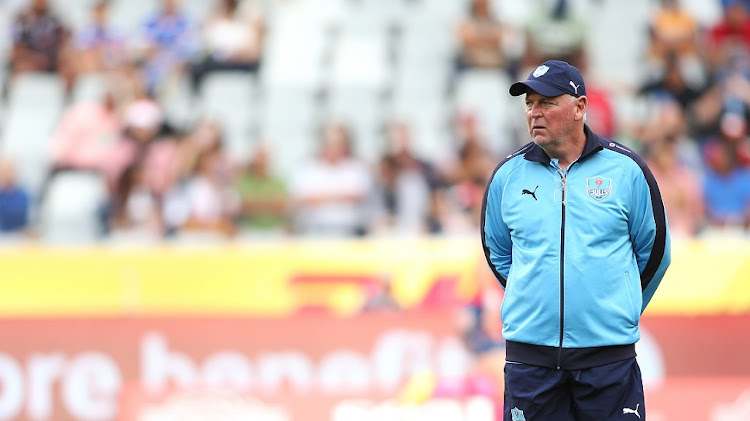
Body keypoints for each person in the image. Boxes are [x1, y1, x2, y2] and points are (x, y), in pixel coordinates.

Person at [480, 60, 671, 420]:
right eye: (529, 104)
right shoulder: (507, 175)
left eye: (547, 102)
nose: (534, 112)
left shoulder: (627, 170)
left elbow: (656, 253)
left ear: (580, 107)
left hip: (608, 359)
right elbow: (498, 253)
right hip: (530, 359)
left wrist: (616, 307)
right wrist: (538, 296)